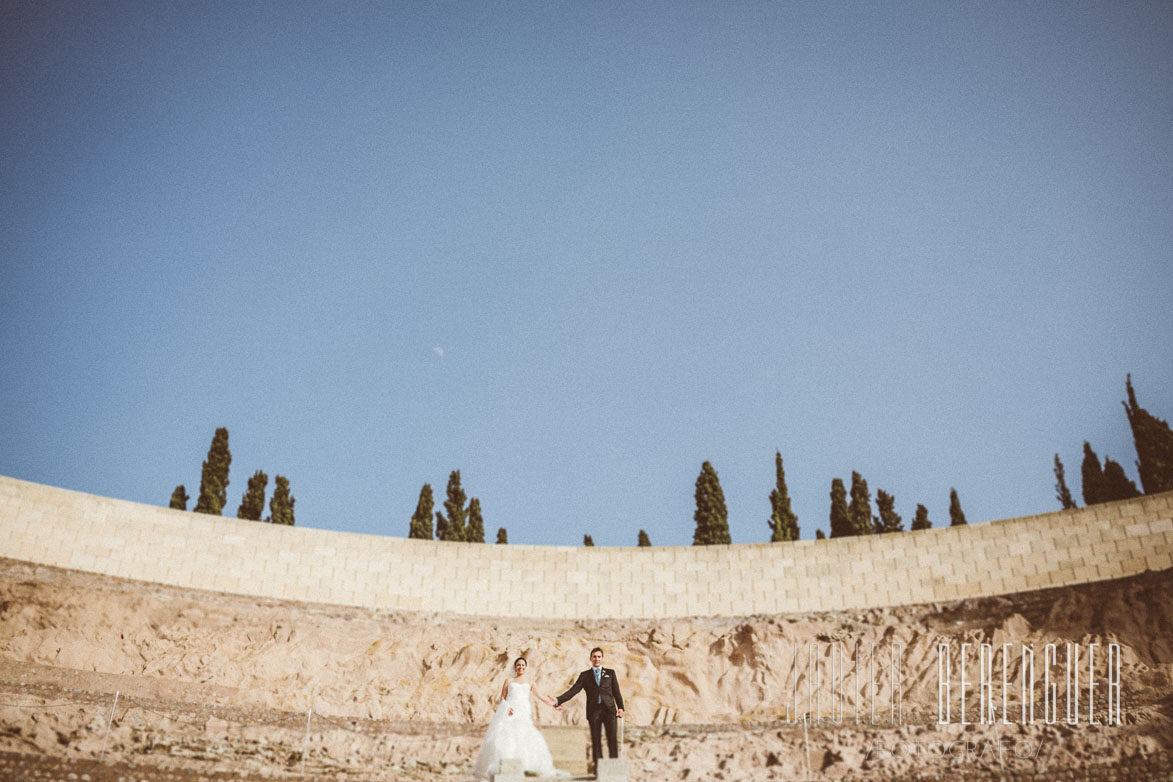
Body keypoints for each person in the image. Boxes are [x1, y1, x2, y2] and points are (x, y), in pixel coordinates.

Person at [472, 656, 568, 780]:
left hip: (524, 710)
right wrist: (507, 707)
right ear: (515, 667)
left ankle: (526, 765)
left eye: (523, 665)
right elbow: (502, 698)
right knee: (508, 734)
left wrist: (554, 704)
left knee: (525, 733)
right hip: (510, 710)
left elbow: (540, 697)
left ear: (526, 667)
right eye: (518, 665)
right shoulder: (508, 680)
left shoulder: (530, 682)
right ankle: (508, 763)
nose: (521, 667)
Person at [554, 647, 624, 762]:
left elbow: (616, 692)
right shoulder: (585, 675)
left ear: (602, 658)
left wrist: (620, 707)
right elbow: (573, 690)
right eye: (594, 656)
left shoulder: (610, 673)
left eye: (599, 656)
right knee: (596, 740)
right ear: (590, 658)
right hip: (594, 711)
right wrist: (558, 700)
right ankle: (599, 769)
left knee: (612, 739)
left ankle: (613, 768)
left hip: (609, 710)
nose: (597, 659)